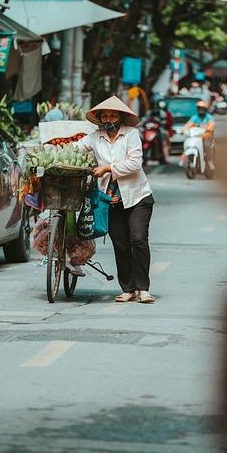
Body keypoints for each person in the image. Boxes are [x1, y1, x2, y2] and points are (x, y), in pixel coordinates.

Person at [76, 96, 155, 303]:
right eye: (105, 115)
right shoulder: (94, 137)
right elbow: (75, 148)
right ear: (100, 118)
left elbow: (135, 163)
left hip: (137, 197)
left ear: (121, 117)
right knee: (120, 245)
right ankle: (128, 289)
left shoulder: (131, 135)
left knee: (138, 240)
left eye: (113, 114)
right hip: (110, 200)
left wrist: (107, 168)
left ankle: (143, 288)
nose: (109, 118)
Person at [181, 100, 216, 169]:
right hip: (196, 137)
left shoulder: (209, 117)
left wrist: (208, 129)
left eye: (202, 109)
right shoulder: (194, 117)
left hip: (206, 137)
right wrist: (183, 130)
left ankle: (209, 161)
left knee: (206, 146)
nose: (201, 110)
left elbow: (211, 125)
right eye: (199, 108)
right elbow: (188, 125)